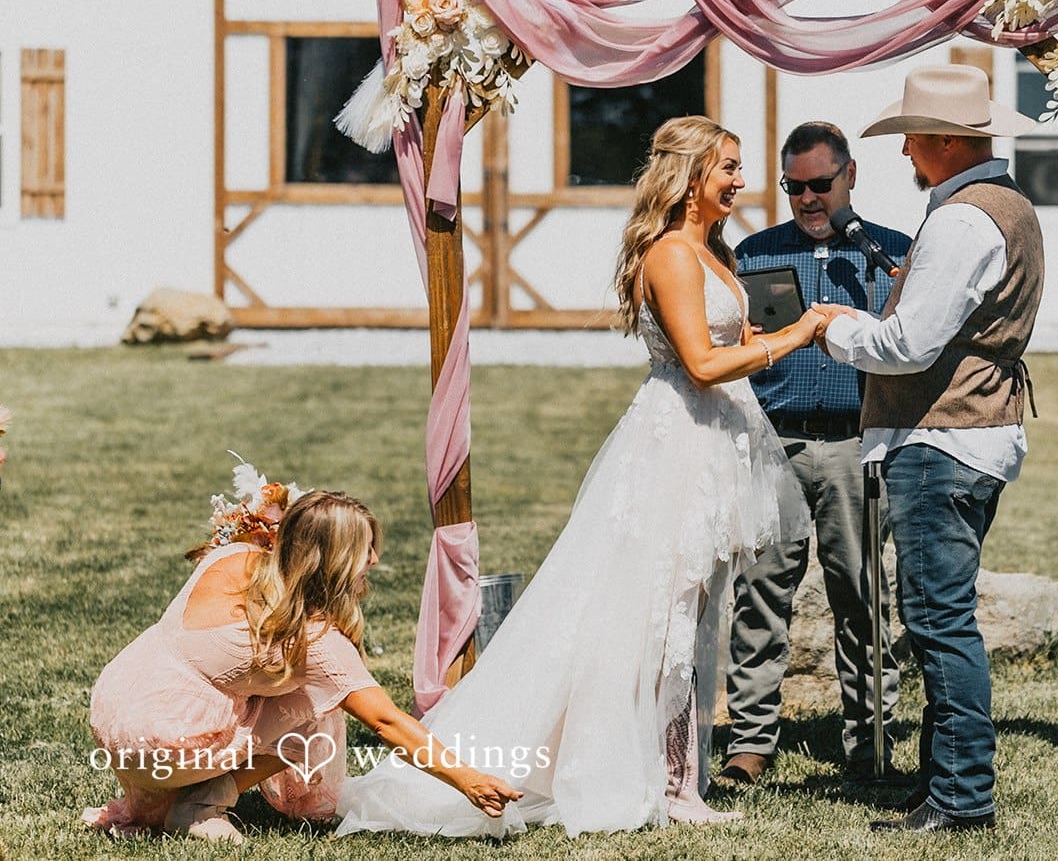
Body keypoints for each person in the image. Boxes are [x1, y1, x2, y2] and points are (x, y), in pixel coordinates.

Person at [335, 116, 821, 838]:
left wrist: (754, 335)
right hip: (676, 445)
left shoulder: (709, 249)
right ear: (691, 178)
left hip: (712, 441)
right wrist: (796, 335)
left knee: (692, 613)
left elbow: (728, 343)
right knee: (662, 615)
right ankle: (664, 781)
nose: (741, 181)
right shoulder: (670, 255)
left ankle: (682, 771)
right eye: (729, 167)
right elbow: (703, 363)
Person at [812, 65, 1043, 835]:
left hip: (941, 439)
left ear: (946, 140)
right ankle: (942, 784)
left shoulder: (962, 220)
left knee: (939, 620)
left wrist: (834, 328)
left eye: (912, 137)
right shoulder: (1004, 206)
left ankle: (962, 794)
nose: (905, 151)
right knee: (940, 614)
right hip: (969, 435)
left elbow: (908, 343)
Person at [84, 491, 522, 843]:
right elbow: (387, 722)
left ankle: (183, 792)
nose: (373, 560)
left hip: (113, 710)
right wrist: (467, 779)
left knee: (279, 684)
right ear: (337, 560)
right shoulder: (317, 643)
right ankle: (204, 803)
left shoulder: (231, 556)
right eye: (366, 550)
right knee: (321, 705)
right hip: (162, 744)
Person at [720, 121, 911, 786]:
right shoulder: (755, 252)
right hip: (775, 442)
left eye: (820, 184)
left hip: (858, 443)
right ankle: (749, 741)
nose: (807, 198)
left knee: (862, 594)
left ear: (850, 175)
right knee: (760, 594)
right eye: (794, 186)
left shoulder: (893, 254)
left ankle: (869, 738)